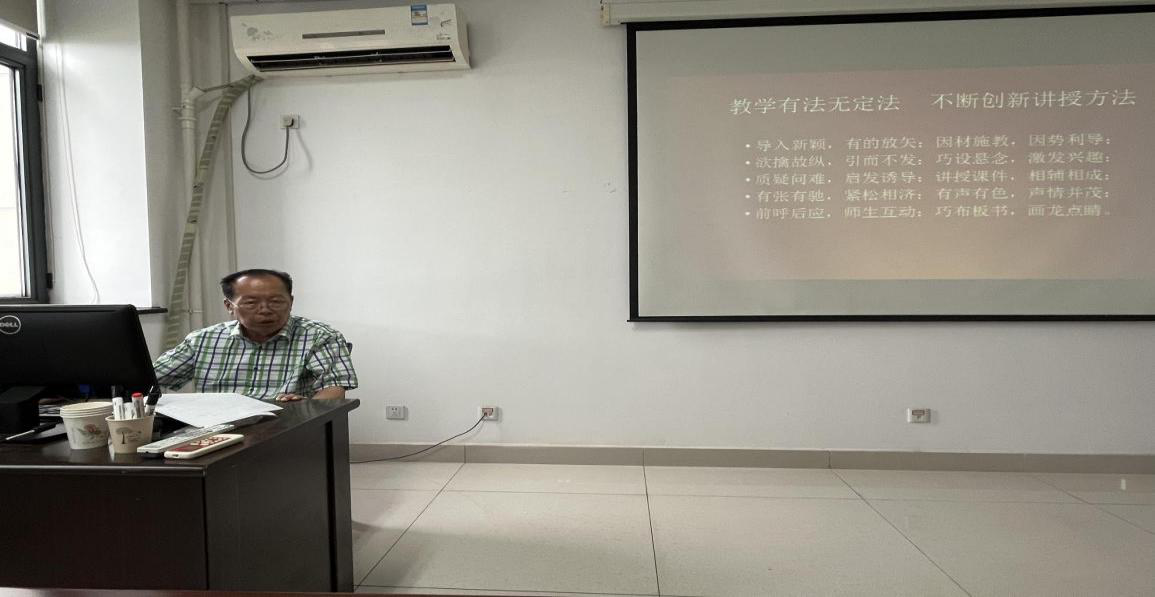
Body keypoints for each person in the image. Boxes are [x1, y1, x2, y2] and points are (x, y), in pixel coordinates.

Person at [153, 268, 358, 402]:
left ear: (291, 302)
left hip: (284, 426)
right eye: (251, 303)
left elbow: (334, 388)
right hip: (215, 426)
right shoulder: (202, 340)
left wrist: (306, 408)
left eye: (276, 301)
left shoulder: (319, 337)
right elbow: (151, 379)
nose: (265, 310)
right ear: (229, 306)